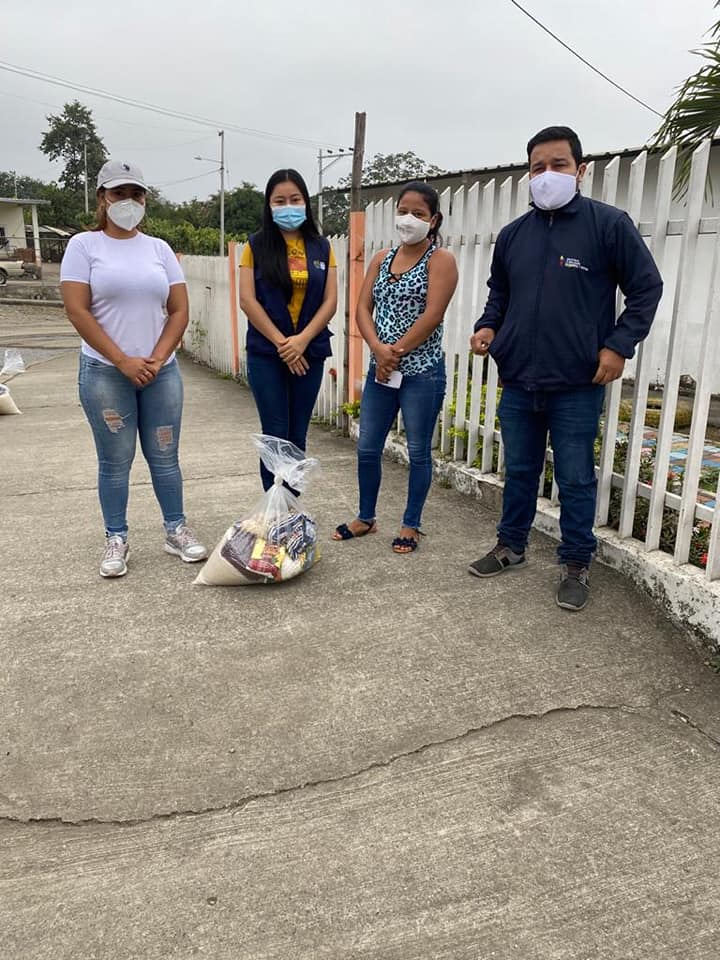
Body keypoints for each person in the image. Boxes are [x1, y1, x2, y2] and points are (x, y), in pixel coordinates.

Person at [468, 126, 663, 610]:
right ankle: (511, 545)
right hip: (519, 378)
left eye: (558, 165)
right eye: (538, 167)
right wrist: (488, 327)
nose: (547, 174)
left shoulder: (608, 225)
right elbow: (500, 293)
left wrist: (618, 346)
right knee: (519, 469)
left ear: (580, 170)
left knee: (574, 477)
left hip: (578, 381)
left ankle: (576, 562)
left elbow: (646, 287)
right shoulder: (513, 235)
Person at [61, 159, 207, 578]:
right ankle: (116, 537)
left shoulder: (158, 249)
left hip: (161, 373)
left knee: (165, 455)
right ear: (103, 198)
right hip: (106, 372)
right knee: (115, 460)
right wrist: (122, 360)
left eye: (136, 193)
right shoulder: (84, 246)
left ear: (145, 199)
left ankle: (175, 529)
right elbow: (77, 310)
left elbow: (178, 310)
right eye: (119, 193)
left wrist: (157, 358)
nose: (128, 200)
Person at [333, 182, 458, 553]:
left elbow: (433, 315)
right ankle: (366, 517)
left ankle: (411, 524)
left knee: (418, 451)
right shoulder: (381, 258)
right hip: (382, 373)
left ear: (433, 220)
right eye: (403, 211)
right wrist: (377, 350)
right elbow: (361, 308)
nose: (408, 219)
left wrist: (395, 352)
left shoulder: (441, 261)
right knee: (367, 447)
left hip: (422, 373)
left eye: (418, 213)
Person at [238, 168, 337, 490]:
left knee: (297, 435)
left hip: (310, 353)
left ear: (306, 202)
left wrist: (302, 341)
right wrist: (285, 344)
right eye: (279, 201)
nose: (288, 206)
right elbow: (247, 300)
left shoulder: (322, 247)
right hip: (267, 353)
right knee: (275, 435)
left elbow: (330, 301)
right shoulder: (255, 246)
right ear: (268, 205)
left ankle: (290, 506)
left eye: (295, 199)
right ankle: (274, 509)